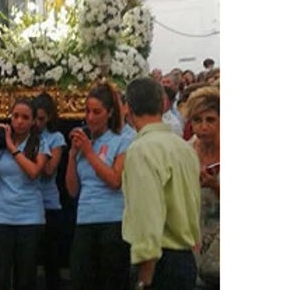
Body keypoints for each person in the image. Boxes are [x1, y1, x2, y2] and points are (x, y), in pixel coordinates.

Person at [121, 77, 201, 290]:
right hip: (185, 257)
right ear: (163, 104)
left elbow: (148, 213)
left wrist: (144, 279)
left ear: (127, 108)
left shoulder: (141, 150)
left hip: (158, 263)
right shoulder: (183, 147)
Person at [65, 82, 134, 290]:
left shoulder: (121, 140)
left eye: (97, 112)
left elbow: (115, 180)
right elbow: (72, 189)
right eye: (87, 111)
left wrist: (88, 153)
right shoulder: (85, 142)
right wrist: (72, 156)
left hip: (112, 221)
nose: (91, 117)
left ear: (110, 112)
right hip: (85, 218)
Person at [0, 98, 49, 290]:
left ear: (33, 121)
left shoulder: (39, 143)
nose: (19, 121)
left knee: (25, 278)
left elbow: (34, 171)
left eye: (25, 117)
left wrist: (12, 147)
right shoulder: (2, 144)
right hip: (2, 216)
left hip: (30, 218)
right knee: (0, 277)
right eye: (15, 116)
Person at [182, 86, 220, 289]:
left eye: (210, 120)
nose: (203, 127)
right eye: (197, 120)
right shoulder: (186, 151)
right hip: (194, 238)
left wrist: (215, 186)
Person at [33, 92, 67, 290]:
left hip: (49, 203)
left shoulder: (55, 138)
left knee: (51, 261)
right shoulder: (25, 136)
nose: (37, 123)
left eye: (41, 119)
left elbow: (48, 170)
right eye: (35, 118)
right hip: (29, 204)